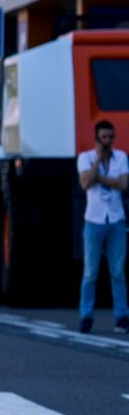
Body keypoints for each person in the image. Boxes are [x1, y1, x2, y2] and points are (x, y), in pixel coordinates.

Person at [77, 120, 129, 333]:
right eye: (103, 137)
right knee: (90, 272)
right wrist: (98, 161)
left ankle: (122, 316)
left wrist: (99, 177)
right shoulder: (85, 158)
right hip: (94, 220)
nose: (107, 141)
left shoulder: (122, 157)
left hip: (115, 220)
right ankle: (86, 316)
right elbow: (85, 184)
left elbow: (123, 185)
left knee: (118, 272)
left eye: (110, 137)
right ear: (97, 139)